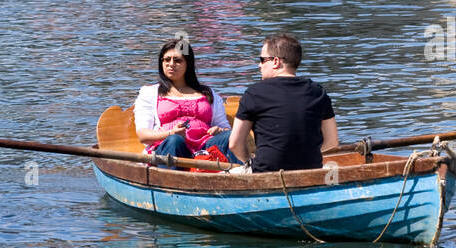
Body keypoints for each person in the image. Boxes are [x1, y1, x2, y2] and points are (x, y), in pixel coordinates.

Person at [228, 33, 338, 172]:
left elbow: (234, 144)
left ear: (275, 61)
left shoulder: (254, 93)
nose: (259, 65)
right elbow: (332, 142)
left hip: (266, 173)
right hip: (311, 172)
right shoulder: (319, 93)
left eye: (262, 60)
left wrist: (248, 161)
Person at [134, 39, 236, 161]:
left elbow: (224, 128)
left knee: (230, 137)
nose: (171, 64)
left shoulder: (208, 94)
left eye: (177, 60)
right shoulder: (150, 93)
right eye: (167, 59)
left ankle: (244, 176)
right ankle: (171, 178)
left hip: (205, 148)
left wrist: (220, 131)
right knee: (175, 141)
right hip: (171, 148)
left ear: (188, 63)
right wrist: (171, 133)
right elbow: (143, 136)